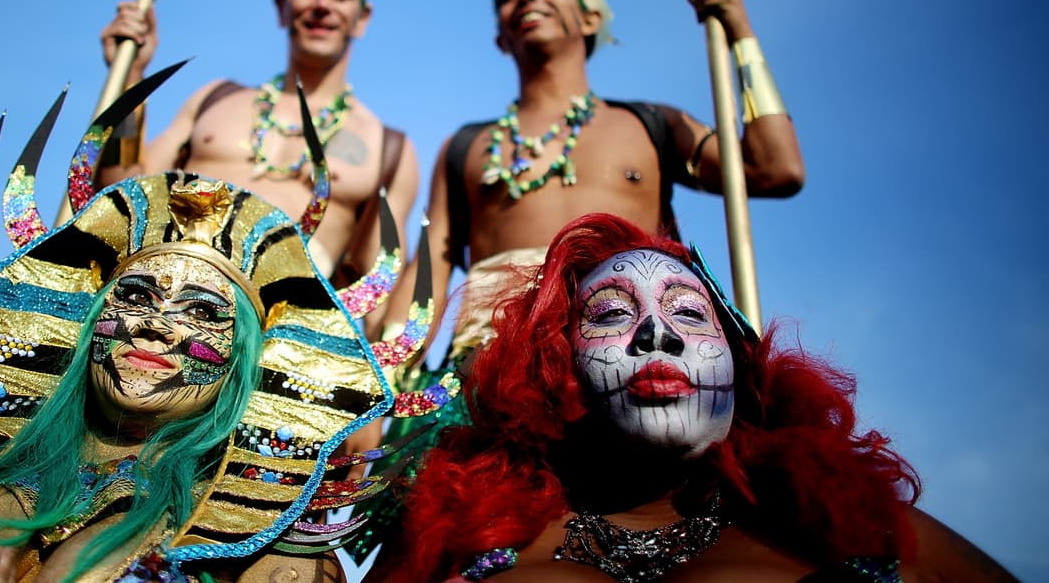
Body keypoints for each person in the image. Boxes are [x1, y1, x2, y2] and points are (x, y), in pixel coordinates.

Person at [0, 84, 413, 582]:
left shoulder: (272, 550)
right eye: (135, 297)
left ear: (248, 359)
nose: (155, 326)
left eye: (202, 312)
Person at [373, 213, 1015, 581]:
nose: (657, 332)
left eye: (689, 311)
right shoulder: (462, 531)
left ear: (737, 364)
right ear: (557, 364)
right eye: (610, 313)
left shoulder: (851, 519)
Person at [375, 0, 804, 361]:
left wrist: (739, 31)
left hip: (634, 371)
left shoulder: (652, 125)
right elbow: (428, 270)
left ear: (590, 17)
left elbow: (775, 169)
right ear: (501, 37)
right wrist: (387, 376)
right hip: (485, 375)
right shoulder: (467, 147)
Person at [99, 0, 419, 298]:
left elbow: (378, 291)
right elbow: (120, 189)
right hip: (165, 300)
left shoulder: (387, 149)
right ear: (282, 7)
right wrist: (130, 77)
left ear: (362, 16)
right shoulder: (214, 100)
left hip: (279, 332)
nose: (322, 4)